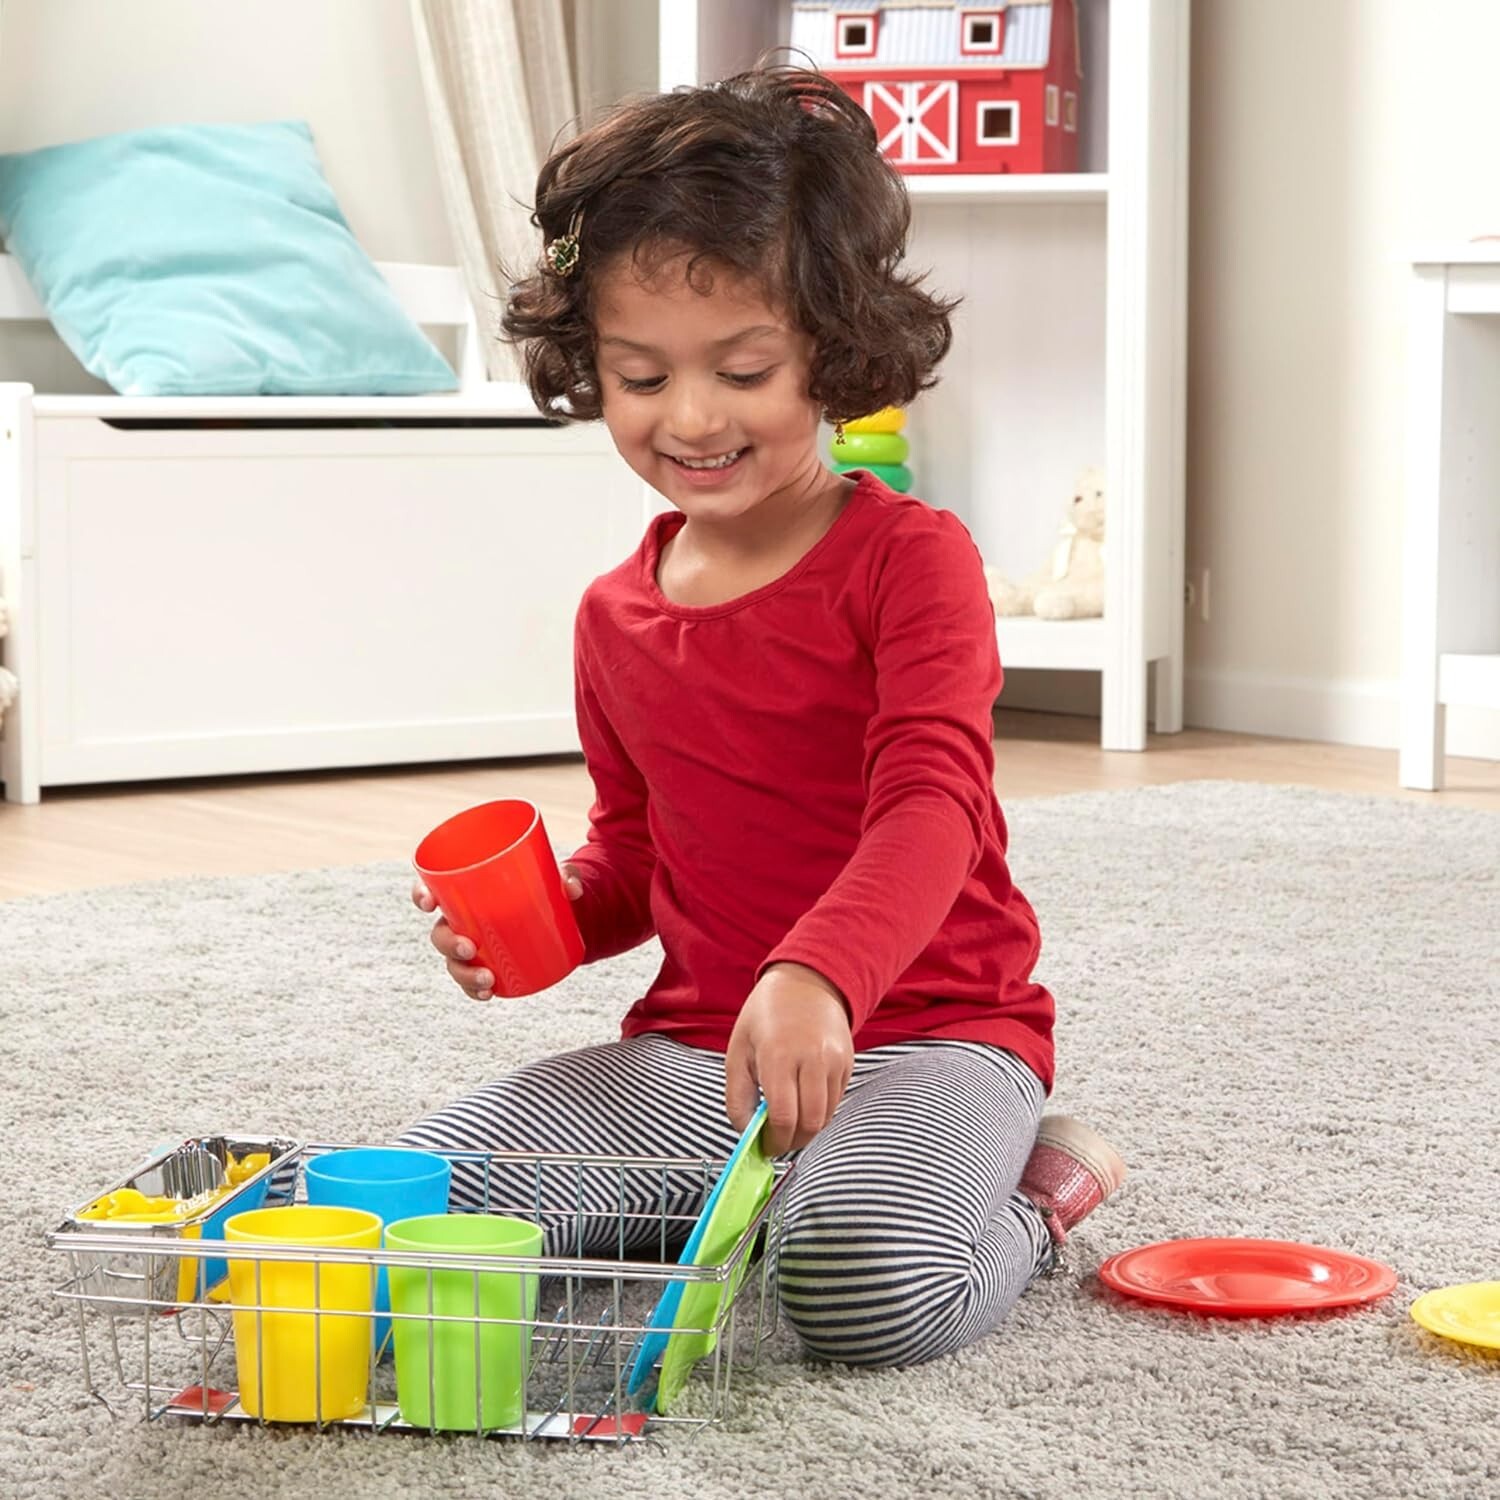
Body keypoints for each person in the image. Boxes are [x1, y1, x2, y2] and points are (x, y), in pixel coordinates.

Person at [403, 64, 1124, 1369]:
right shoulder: (613, 616)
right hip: (703, 1051)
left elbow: (936, 805)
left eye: (742, 369)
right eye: (640, 376)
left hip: (930, 1038)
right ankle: (740, 1201)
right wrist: (545, 925)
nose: (690, 418)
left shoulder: (912, 560)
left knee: (857, 1289)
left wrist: (817, 977)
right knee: (413, 1219)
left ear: (832, 352)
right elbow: (640, 856)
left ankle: (1034, 1193)